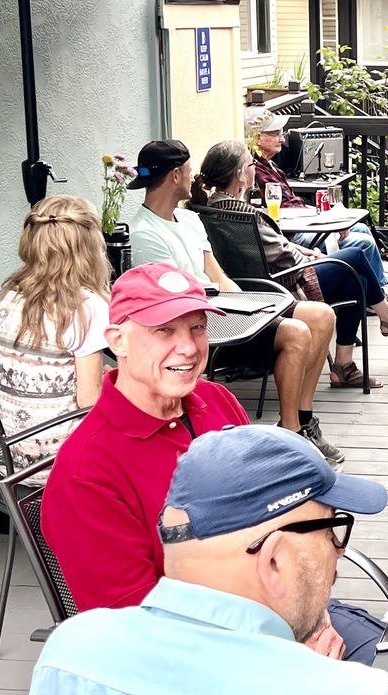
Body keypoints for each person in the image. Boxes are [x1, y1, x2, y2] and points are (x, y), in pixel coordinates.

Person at [42, 263, 386, 662]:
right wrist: (288, 662)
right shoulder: (85, 476)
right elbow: (139, 631)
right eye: (163, 331)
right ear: (117, 340)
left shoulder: (216, 401)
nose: (188, 347)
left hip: (294, 611)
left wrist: (314, 609)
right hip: (215, 658)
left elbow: (283, 515)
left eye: (197, 328)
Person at [24, 424, 388, 695]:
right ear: (273, 560)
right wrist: (322, 688)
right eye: (330, 532)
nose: (338, 553)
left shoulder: (69, 652)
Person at [126, 139, 343, 461]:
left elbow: (218, 275)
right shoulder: (145, 233)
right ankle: (292, 432)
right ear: (174, 176)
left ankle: (302, 418)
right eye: (187, 171)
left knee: (321, 315)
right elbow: (173, 302)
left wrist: (251, 306)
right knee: (296, 333)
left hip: (223, 307)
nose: (192, 177)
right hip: (198, 325)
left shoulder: (188, 219)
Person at [192, 141, 388, 389]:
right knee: (356, 256)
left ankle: (344, 367)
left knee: (358, 278)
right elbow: (284, 259)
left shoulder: (212, 208)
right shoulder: (245, 215)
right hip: (281, 287)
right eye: (251, 163)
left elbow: (274, 248)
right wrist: (316, 257)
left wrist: (305, 251)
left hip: (253, 283)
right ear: (239, 174)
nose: (254, 168)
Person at [0, 196, 110, 481]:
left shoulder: (10, 294)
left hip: (3, 451)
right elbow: (89, 401)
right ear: (90, 247)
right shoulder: (86, 307)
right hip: (54, 460)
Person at [250, 113, 388, 289]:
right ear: (258, 139)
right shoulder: (256, 171)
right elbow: (287, 209)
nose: (282, 139)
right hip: (291, 232)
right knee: (364, 242)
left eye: (282, 133)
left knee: (361, 227)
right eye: (275, 134)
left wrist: (330, 217)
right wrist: (327, 220)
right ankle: (375, 295)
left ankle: (374, 292)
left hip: (299, 222)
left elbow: (294, 205)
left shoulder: (270, 165)